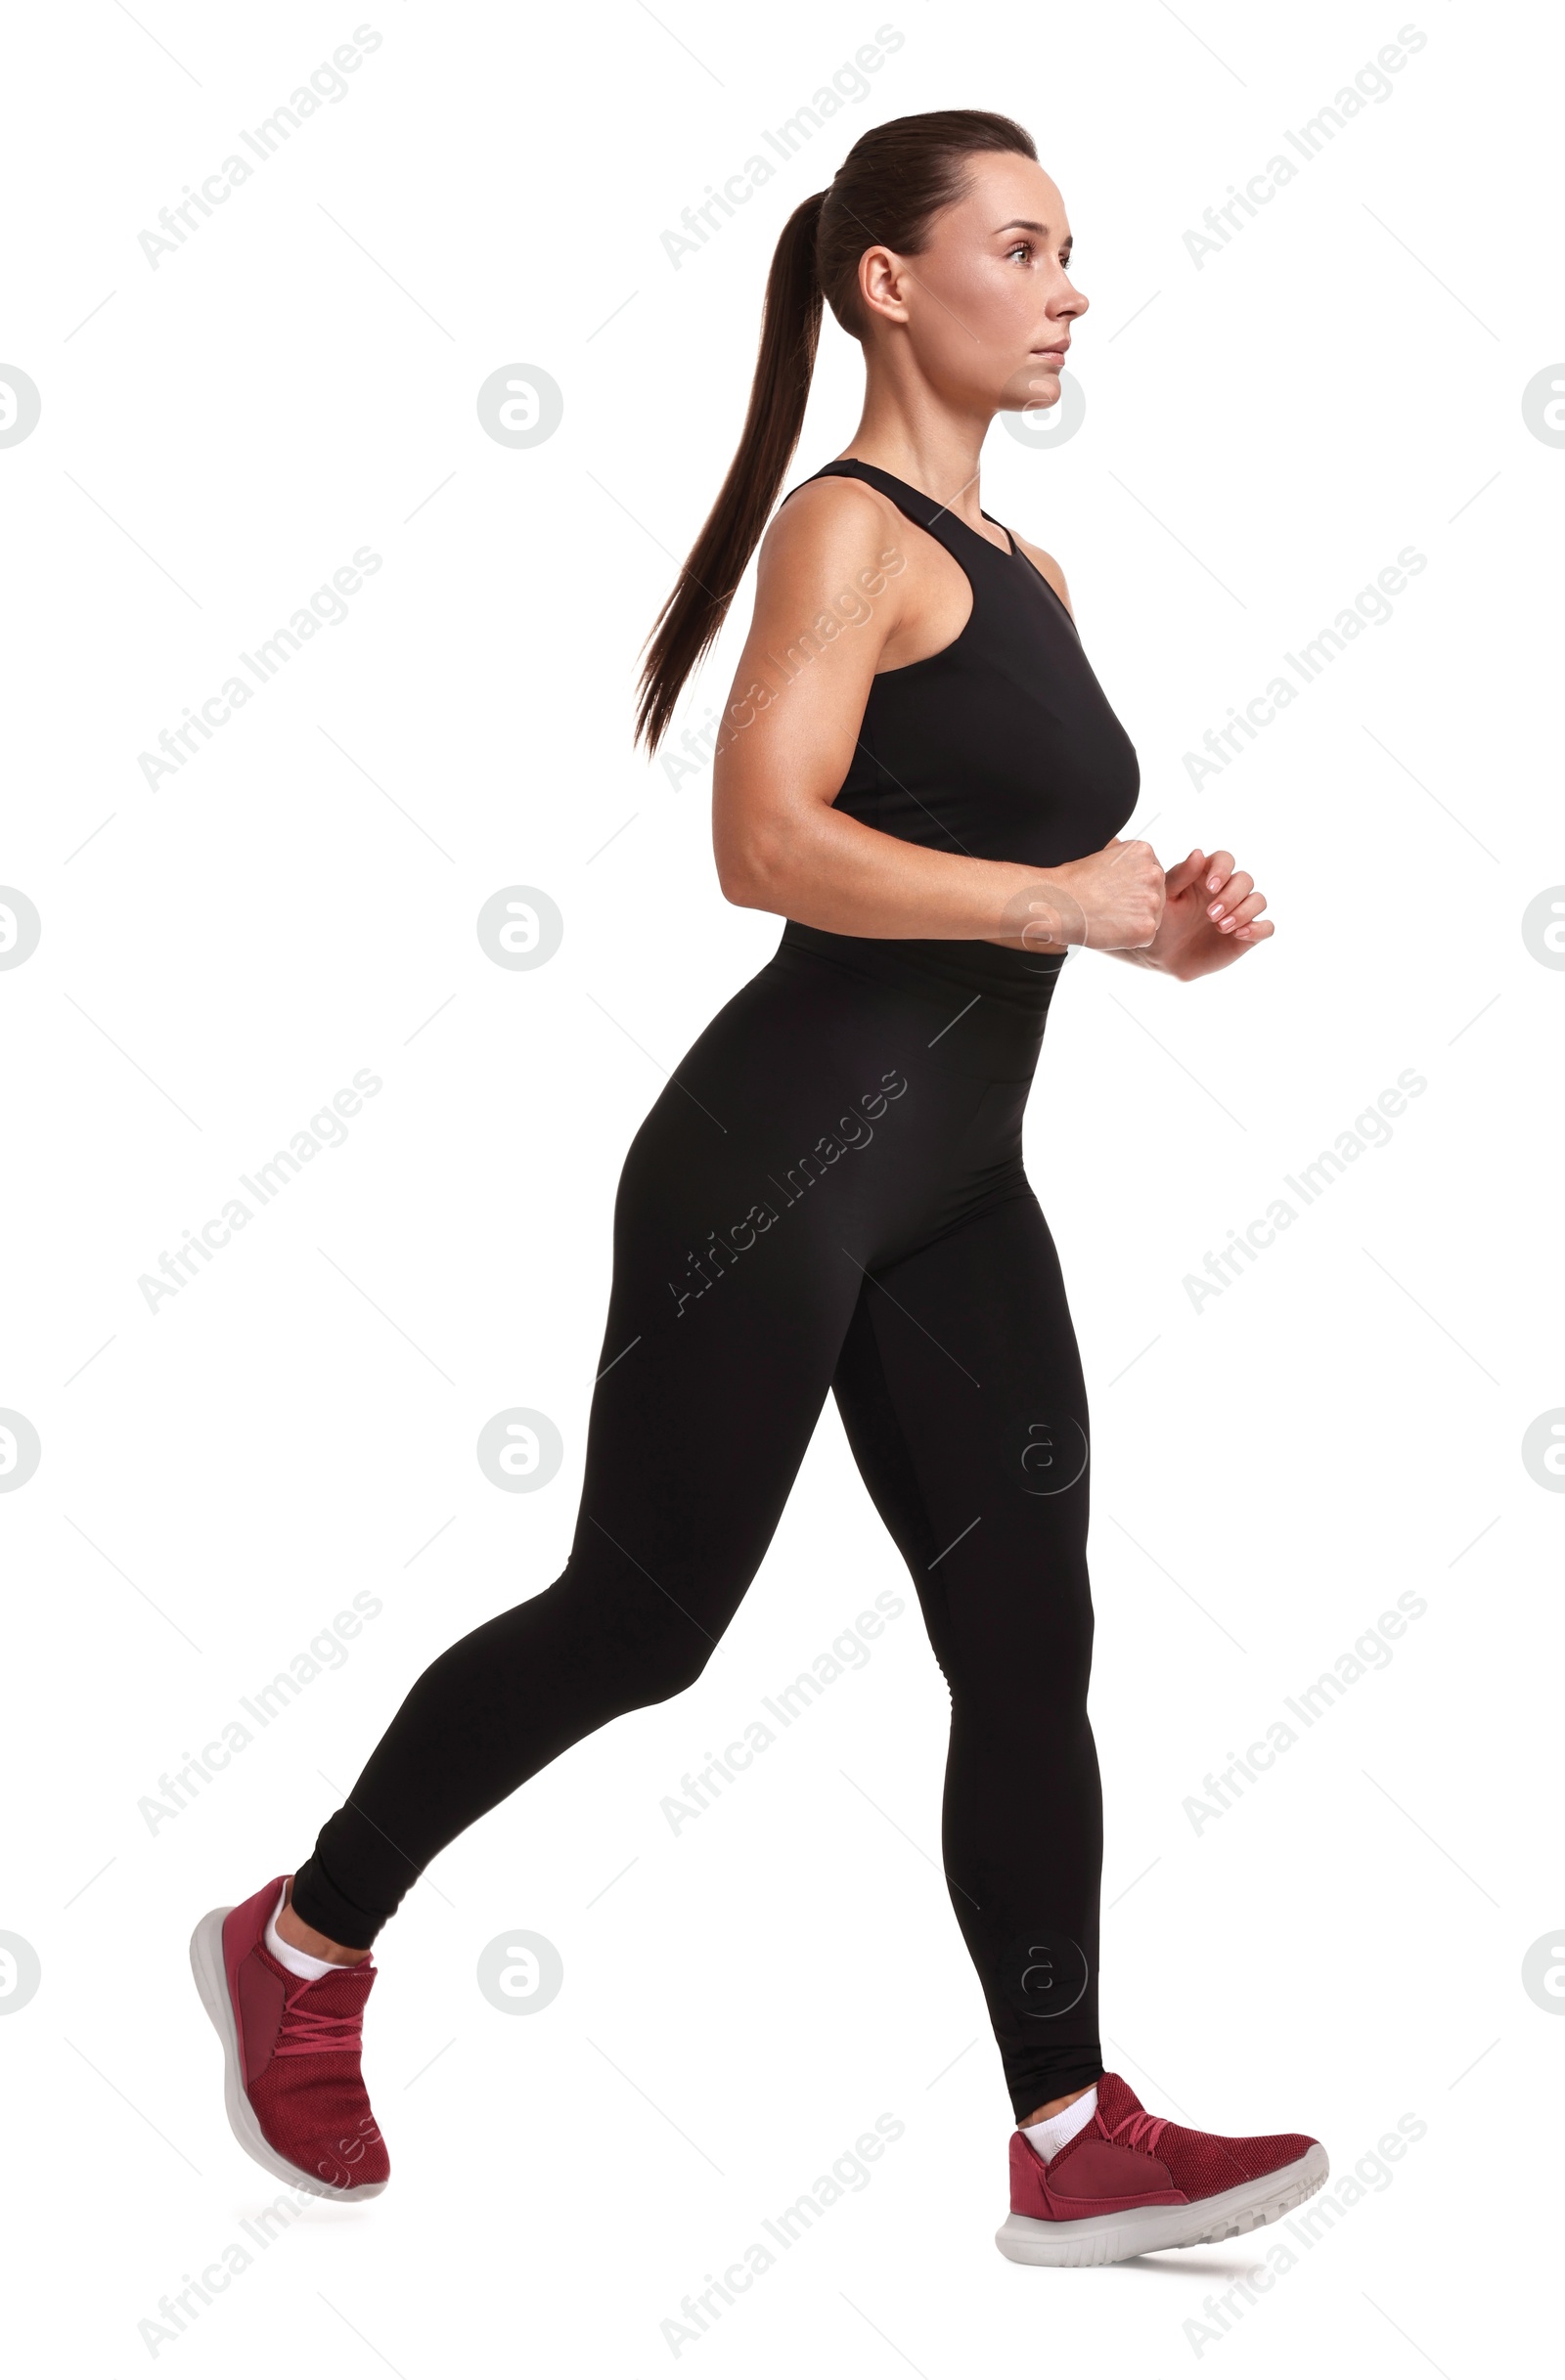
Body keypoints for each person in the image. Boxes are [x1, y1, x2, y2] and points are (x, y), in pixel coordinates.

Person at [191, 108, 1327, 2266]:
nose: (1071, 283)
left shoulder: (1030, 569)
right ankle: (304, 1937)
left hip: (957, 1189)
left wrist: (1154, 927)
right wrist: (1059, 908)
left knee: (1026, 1637)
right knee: (645, 1622)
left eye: (1071, 246)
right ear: (890, 283)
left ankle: (1066, 2125)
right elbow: (764, 846)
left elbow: (1005, 874)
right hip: (774, 1166)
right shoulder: (847, 530)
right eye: (1023, 244)